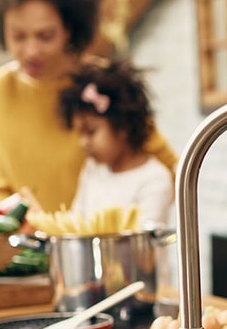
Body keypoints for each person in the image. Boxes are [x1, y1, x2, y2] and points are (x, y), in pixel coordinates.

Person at [0, 0, 177, 214]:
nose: (31, 51)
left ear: (69, 28)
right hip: (30, 250)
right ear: (0, 29)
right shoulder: (1, 89)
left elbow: (169, 168)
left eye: (45, 36)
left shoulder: (102, 85)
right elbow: (0, 184)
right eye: (18, 37)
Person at [59, 58, 174, 226]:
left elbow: (142, 243)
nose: (83, 142)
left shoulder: (154, 180)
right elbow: (76, 222)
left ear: (123, 128)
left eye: (91, 132)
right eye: (80, 134)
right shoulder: (92, 169)